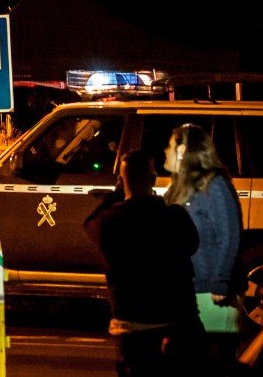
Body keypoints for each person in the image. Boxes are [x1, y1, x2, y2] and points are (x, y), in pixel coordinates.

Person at [84, 149, 203, 375]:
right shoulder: (174, 217)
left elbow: (89, 222)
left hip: (131, 327)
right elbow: (192, 244)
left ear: (121, 180)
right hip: (174, 321)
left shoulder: (109, 222)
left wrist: (117, 193)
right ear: (152, 179)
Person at [166, 123, 243, 366]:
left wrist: (219, 282)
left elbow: (229, 234)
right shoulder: (179, 188)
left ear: (183, 151)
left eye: (169, 146)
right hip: (186, 292)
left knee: (212, 361)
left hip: (209, 294)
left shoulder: (215, 185)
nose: (165, 151)